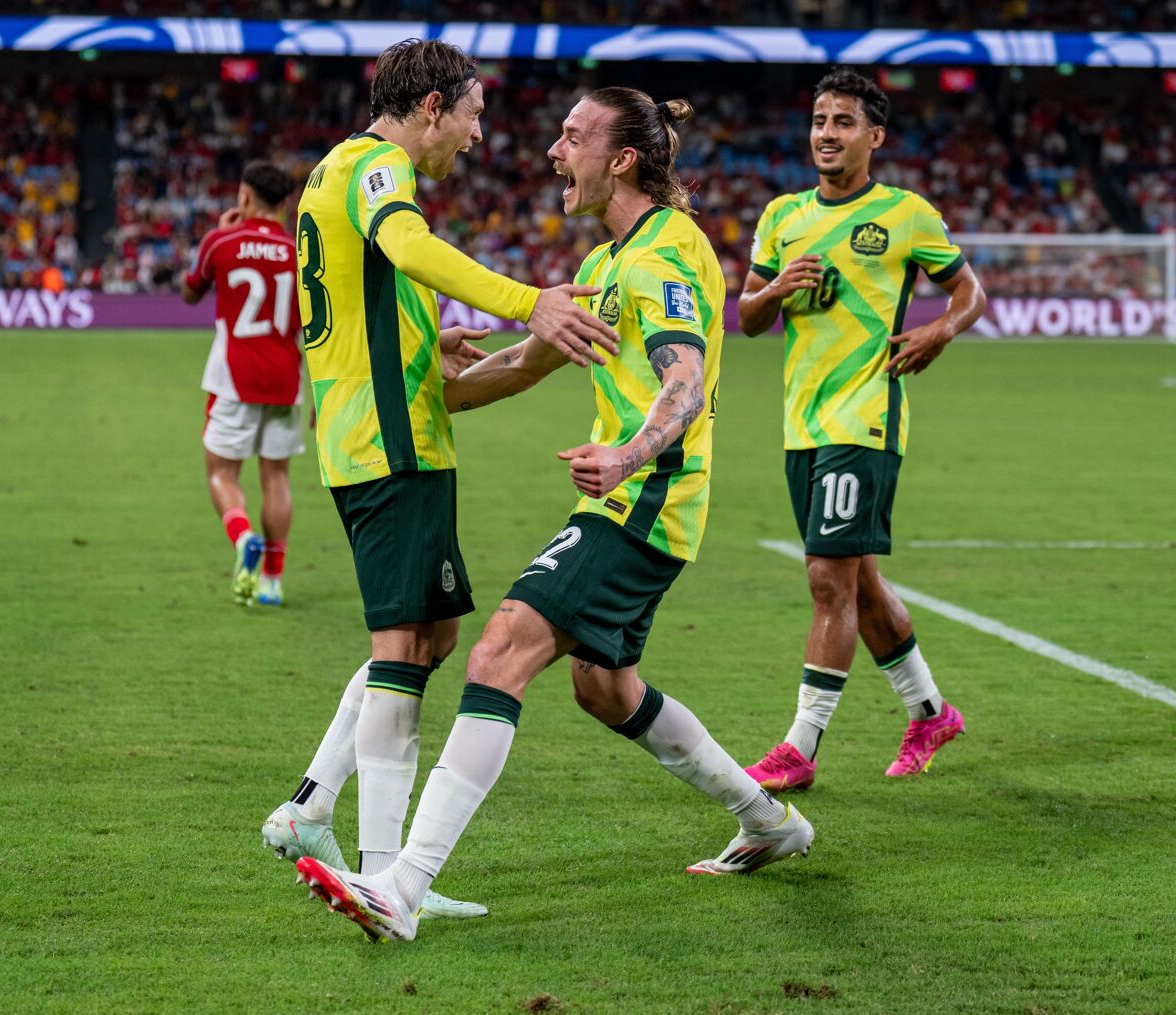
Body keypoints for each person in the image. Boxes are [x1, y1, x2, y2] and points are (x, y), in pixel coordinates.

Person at [295, 87, 813, 944]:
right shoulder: (608, 265)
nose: (550, 151)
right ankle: (769, 821)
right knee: (605, 687)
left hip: (645, 498)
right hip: (620, 496)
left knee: (500, 648)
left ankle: (404, 887)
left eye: (572, 137)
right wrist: (419, 385)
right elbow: (524, 366)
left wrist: (625, 457)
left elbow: (684, 381)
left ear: (622, 160)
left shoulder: (667, 256)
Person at [258, 40, 619, 920]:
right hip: (389, 449)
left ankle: (313, 808)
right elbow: (409, 245)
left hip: (384, 436)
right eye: (473, 113)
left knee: (435, 632)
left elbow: (368, 299)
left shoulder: (333, 173)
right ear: (430, 108)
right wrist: (527, 300)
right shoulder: (380, 170)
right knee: (400, 647)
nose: (478, 134)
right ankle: (383, 873)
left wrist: (436, 340)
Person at [736, 68, 987, 790]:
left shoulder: (906, 214)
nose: (826, 133)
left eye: (843, 122)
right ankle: (931, 711)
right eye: (819, 120)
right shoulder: (783, 216)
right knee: (860, 582)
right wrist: (776, 288)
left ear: (873, 136)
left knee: (826, 579)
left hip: (866, 416)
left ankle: (800, 746)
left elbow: (969, 290)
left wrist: (941, 328)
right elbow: (749, 318)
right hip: (801, 423)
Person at [182, 160, 305, 608]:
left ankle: (243, 537)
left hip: (234, 377)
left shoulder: (221, 241)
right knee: (276, 476)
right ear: (286, 203)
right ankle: (272, 580)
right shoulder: (300, 252)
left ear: (244, 197)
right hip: (286, 377)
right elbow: (313, 327)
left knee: (221, 472)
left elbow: (191, 291)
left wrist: (216, 234)